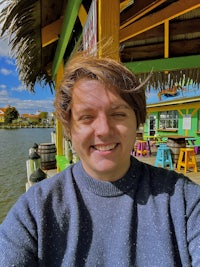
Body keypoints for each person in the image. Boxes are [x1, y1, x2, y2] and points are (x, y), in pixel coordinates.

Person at [0, 51, 200, 267]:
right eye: (87, 117)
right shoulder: (36, 211)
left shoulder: (184, 202)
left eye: (118, 114)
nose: (104, 130)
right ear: (69, 129)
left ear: (138, 120)